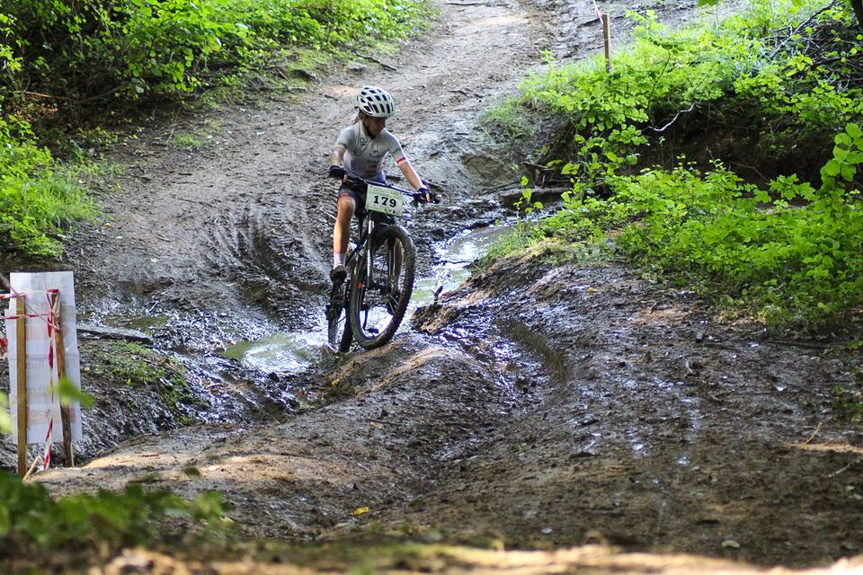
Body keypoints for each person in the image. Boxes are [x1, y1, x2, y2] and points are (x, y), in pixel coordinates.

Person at [327, 85, 431, 284]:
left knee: (394, 233)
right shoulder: (350, 133)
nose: (382, 124)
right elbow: (337, 151)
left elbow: (405, 164)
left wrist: (420, 187)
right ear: (363, 117)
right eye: (378, 120)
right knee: (346, 206)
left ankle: (395, 286)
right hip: (354, 184)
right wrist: (336, 166)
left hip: (377, 186)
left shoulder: (388, 139)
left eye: (384, 119)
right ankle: (338, 264)